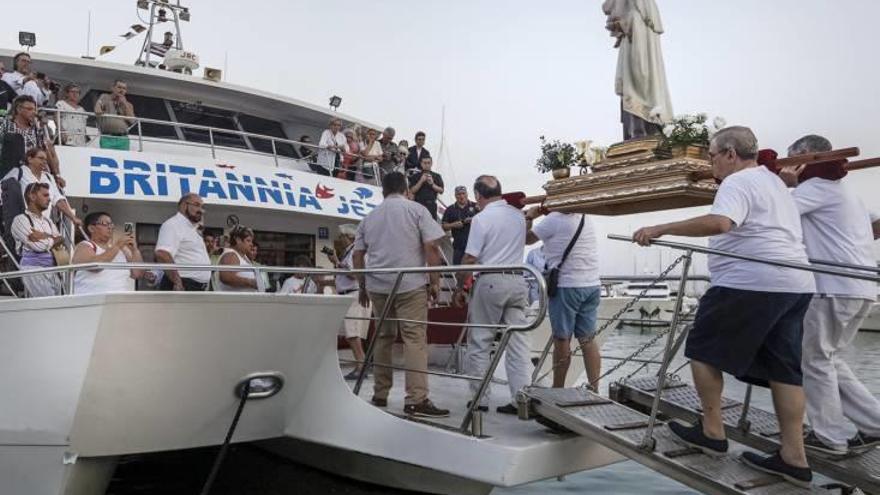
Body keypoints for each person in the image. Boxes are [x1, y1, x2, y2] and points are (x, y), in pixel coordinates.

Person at [632, 126, 815, 486]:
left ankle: (712, 432)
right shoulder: (775, 183)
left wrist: (661, 227)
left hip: (750, 282)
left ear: (731, 154)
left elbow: (721, 222)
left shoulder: (738, 182)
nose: (711, 162)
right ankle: (794, 457)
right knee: (784, 369)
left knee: (701, 350)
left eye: (712, 155)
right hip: (795, 283)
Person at [776, 134, 880, 454]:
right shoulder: (845, 193)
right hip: (859, 286)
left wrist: (785, 185)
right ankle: (875, 424)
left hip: (832, 288)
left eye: (791, 159)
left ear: (805, 157)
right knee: (828, 359)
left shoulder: (813, 189)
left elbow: (774, 215)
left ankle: (828, 436)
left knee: (815, 361)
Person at [352, 171, 448, 417]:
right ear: (406, 189)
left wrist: (362, 286)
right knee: (414, 339)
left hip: (377, 286)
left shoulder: (369, 217)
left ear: (383, 191)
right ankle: (416, 399)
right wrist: (435, 282)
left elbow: (357, 255)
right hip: (409, 284)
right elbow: (432, 247)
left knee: (383, 336)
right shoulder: (416, 210)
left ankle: (380, 394)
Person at [454, 175, 532, 415]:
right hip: (519, 280)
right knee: (518, 344)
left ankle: (480, 399)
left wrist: (460, 286)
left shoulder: (481, 218)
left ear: (478, 195)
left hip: (491, 281)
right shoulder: (518, 216)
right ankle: (522, 397)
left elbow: (470, 258)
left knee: (480, 341)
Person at [525, 208, 602, 390]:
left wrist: (529, 216)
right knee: (588, 339)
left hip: (567, 286)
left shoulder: (553, 220)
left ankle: (558, 389)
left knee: (562, 339)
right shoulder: (585, 216)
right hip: (591, 284)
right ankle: (595, 388)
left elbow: (525, 239)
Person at [601, 0, 673, 140]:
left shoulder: (635, 15)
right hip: (633, 54)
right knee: (641, 88)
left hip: (636, 60)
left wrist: (619, 24)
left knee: (636, 88)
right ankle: (640, 128)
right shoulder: (639, 14)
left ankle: (640, 130)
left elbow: (640, 64)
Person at [328, 223, 372, 380]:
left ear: (350, 237)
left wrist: (338, 263)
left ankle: (361, 366)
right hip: (350, 295)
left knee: (353, 333)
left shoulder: (355, 252)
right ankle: (361, 365)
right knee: (352, 333)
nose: (339, 239)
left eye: (342, 236)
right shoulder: (349, 252)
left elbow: (356, 275)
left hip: (354, 295)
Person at [10, 183, 63, 297]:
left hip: (52, 270)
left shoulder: (48, 221)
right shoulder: (20, 220)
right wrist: (53, 238)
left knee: (56, 305)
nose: (49, 199)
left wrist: (44, 235)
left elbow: (61, 239)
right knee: (49, 306)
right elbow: (39, 247)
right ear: (32, 197)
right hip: (33, 269)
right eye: (45, 195)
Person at [72, 212, 144, 294]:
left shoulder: (122, 250)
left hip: (119, 301)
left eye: (111, 224)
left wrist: (135, 250)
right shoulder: (85, 246)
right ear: (91, 228)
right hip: (93, 301)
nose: (110, 227)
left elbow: (138, 274)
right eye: (105, 224)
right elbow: (95, 266)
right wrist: (117, 246)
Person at [4, 148, 80, 226]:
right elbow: (2, 190)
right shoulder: (18, 172)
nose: (44, 162)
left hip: (42, 224)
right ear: (30, 159)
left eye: (46, 160)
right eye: (41, 158)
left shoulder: (48, 177)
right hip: (22, 222)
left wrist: (73, 217)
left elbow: (57, 200)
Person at [0, 95, 63, 185]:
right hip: (9, 171)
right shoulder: (5, 125)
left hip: (31, 174)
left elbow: (46, 152)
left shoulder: (37, 130)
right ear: (19, 109)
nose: (33, 112)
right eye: (29, 109)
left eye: (34, 109)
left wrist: (56, 175)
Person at [154, 193, 211, 291]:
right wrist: (177, 282)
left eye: (202, 207)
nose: (201, 210)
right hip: (182, 285)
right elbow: (162, 254)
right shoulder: (173, 225)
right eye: (197, 205)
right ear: (184, 205)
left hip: (195, 287)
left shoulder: (192, 228)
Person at [441, 185, 478, 265]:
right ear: (455, 196)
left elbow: (486, 221)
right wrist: (453, 225)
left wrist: (474, 220)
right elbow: (444, 226)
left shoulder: (475, 206)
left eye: (463, 193)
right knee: (458, 271)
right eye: (459, 194)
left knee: (475, 272)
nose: (461, 196)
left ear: (467, 194)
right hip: (458, 246)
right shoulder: (450, 209)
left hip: (475, 246)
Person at [216, 225, 259, 292]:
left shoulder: (243, 256)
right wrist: (250, 282)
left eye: (251, 241)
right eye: (248, 241)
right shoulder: (230, 254)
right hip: (233, 301)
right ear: (238, 240)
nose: (251, 244)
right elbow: (226, 277)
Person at [94, 80, 135, 150]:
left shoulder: (128, 104)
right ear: (112, 88)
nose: (121, 90)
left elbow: (132, 120)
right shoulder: (104, 97)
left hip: (123, 139)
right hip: (107, 137)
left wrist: (124, 104)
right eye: (119, 87)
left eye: (124, 88)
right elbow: (97, 110)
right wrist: (100, 106)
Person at [408, 156, 444, 220]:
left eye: (428, 163)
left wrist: (432, 184)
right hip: (418, 204)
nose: (427, 165)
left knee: (431, 226)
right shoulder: (415, 176)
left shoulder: (437, 176)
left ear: (431, 163)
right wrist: (421, 181)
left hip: (431, 205)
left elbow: (441, 191)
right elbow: (412, 191)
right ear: (421, 163)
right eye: (425, 163)